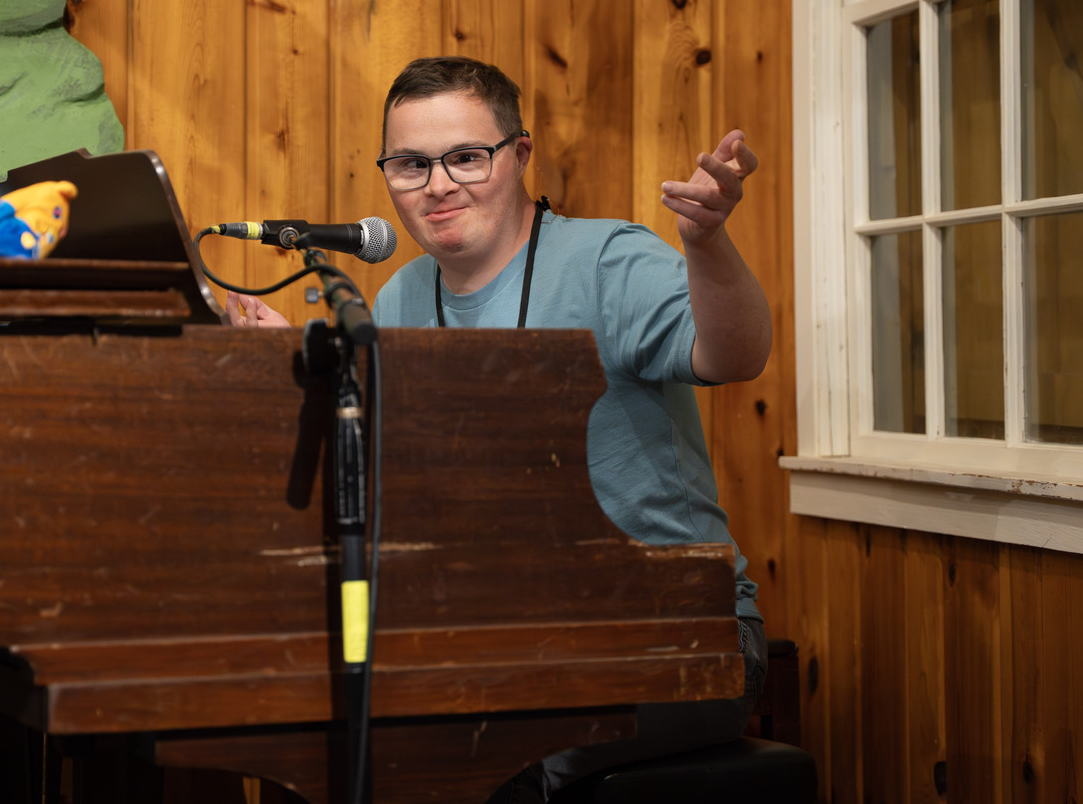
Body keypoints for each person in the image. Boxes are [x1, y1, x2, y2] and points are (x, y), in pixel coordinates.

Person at [227, 56, 771, 801]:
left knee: (481, 754)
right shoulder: (398, 299)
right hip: (497, 635)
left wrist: (706, 245)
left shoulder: (607, 258)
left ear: (518, 156)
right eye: (411, 164)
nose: (438, 183)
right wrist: (287, 371)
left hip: (678, 633)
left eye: (464, 157)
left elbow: (734, 357)